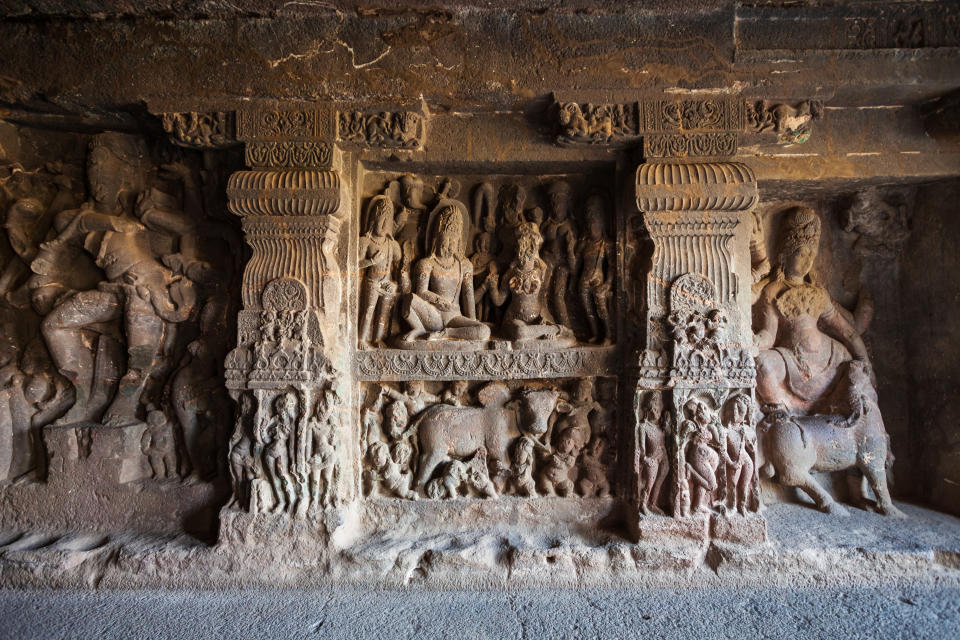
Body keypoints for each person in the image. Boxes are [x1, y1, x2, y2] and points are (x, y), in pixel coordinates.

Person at [754, 206, 876, 414]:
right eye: (802, 253)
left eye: (813, 253)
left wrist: (864, 361)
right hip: (792, 360)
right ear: (785, 253)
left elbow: (847, 332)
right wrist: (754, 342)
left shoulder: (817, 292)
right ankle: (788, 407)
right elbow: (768, 334)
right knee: (762, 364)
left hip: (829, 358)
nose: (808, 260)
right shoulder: (773, 290)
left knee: (855, 373)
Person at [400, 202, 490, 343]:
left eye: (453, 240)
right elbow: (421, 292)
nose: (449, 244)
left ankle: (447, 334)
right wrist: (438, 300)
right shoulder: (426, 263)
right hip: (432, 315)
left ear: (459, 241)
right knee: (409, 298)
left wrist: (472, 322)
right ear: (436, 237)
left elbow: (468, 295)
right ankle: (420, 329)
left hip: (454, 318)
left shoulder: (465, 265)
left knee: (484, 331)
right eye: (446, 238)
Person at [358, 195, 403, 347]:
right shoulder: (366, 241)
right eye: (381, 220)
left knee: (383, 313)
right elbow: (355, 265)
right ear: (373, 220)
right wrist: (371, 261)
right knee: (369, 310)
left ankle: (377, 339)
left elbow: (399, 265)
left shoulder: (392, 244)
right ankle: (362, 339)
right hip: (372, 282)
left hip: (387, 283)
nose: (384, 226)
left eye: (388, 222)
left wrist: (394, 283)